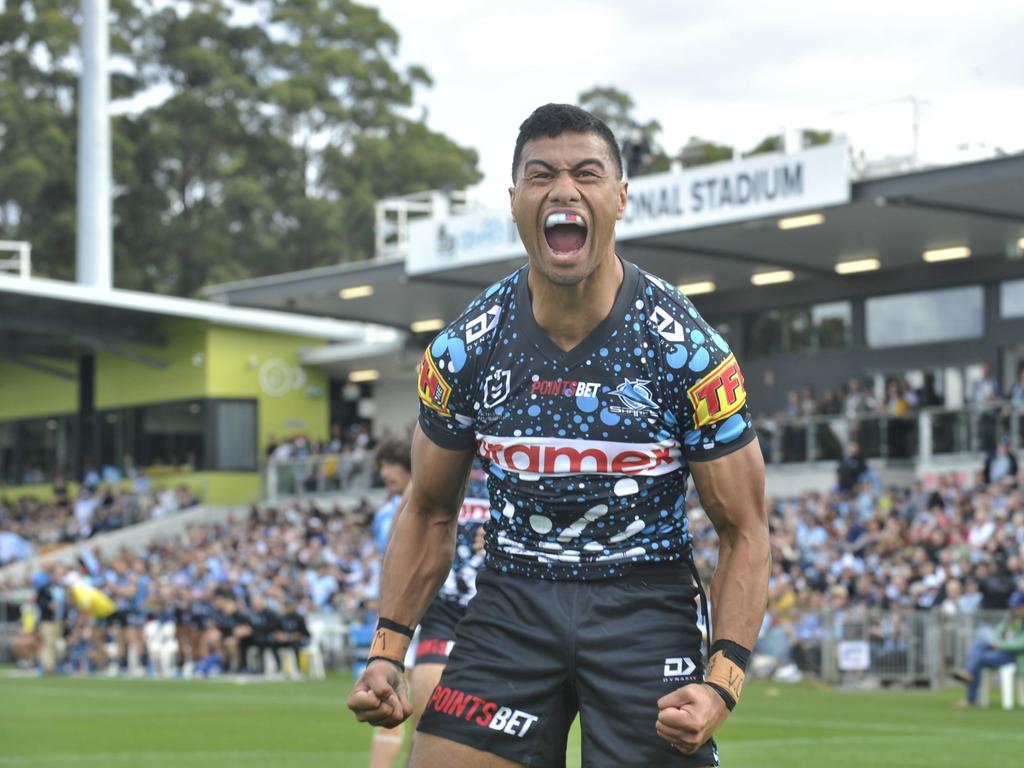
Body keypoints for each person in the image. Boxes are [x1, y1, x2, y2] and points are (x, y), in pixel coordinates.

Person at [347, 103, 769, 767]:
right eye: (541, 175)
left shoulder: (688, 351)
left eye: (587, 173)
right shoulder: (464, 350)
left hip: (644, 609)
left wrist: (723, 680)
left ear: (621, 197)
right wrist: (386, 653)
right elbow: (428, 509)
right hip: (514, 602)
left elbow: (744, 530)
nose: (564, 190)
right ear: (514, 201)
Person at [952, 590, 1024, 707]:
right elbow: (996, 632)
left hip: (1016, 657)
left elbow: (1022, 644)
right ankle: (969, 682)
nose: (1014, 609)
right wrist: (994, 641)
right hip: (1001, 652)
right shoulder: (1010, 618)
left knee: (978, 656)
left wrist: (1000, 644)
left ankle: (969, 684)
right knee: (980, 642)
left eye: (1018, 606)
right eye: (1014, 606)